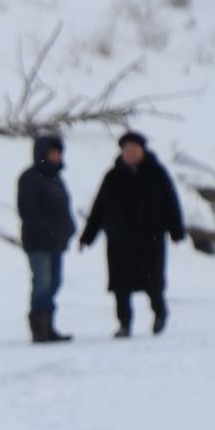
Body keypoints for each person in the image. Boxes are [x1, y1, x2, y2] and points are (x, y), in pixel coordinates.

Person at [79, 130, 186, 337]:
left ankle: (160, 313)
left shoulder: (157, 173)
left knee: (153, 283)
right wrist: (87, 236)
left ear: (142, 150)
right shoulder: (112, 176)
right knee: (121, 286)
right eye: (126, 149)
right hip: (120, 241)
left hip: (150, 239)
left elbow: (171, 204)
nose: (130, 153)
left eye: (134, 149)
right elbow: (99, 209)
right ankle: (124, 324)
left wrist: (176, 230)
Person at [18, 134, 77, 343]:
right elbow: (28, 210)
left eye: (58, 153)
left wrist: (69, 228)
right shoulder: (29, 178)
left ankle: (48, 326)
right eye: (52, 153)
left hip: (56, 242)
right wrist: (47, 229)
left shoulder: (56, 179)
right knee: (42, 283)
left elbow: (64, 208)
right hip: (37, 242)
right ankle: (39, 328)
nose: (55, 157)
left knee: (54, 283)